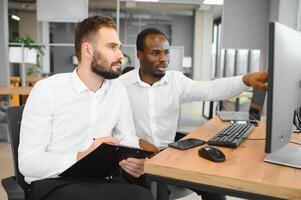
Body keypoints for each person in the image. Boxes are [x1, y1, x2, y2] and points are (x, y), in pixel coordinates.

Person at [118, 28, 268, 200]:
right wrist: (136, 148)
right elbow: (115, 130)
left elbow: (210, 89)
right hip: (137, 156)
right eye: (155, 53)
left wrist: (246, 80)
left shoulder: (176, 80)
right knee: (156, 189)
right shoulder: (121, 85)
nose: (163, 59)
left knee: (214, 186)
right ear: (140, 55)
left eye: (166, 52)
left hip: (169, 153)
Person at [18, 16, 154, 200]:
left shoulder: (117, 91)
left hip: (100, 178)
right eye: (112, 47)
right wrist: (80, 156)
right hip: (54, 182)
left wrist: (134, 160)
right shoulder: (47, 90)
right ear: (88, 50)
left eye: (119, 47)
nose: (121, 55)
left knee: (143, 193)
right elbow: (28, 163)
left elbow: (125, 136)